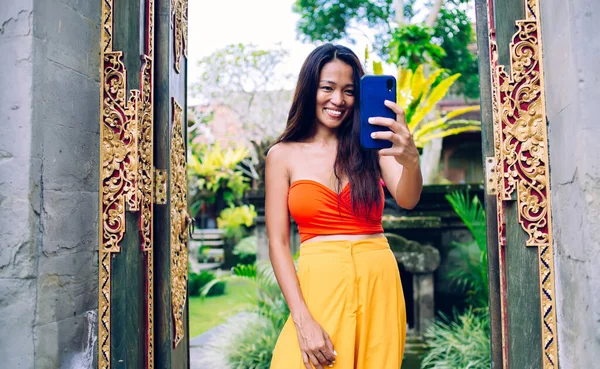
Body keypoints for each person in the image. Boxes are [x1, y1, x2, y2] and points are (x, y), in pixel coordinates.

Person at [266, 43, 423, 369]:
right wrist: (302, 319)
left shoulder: (374, 147)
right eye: (328, 88)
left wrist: (411, 161)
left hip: (377, 283)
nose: (338, 100)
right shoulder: (282, 155)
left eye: (349, 91)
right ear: (311, 89)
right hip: (319, 287)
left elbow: (408, 199)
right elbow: (278, 243)